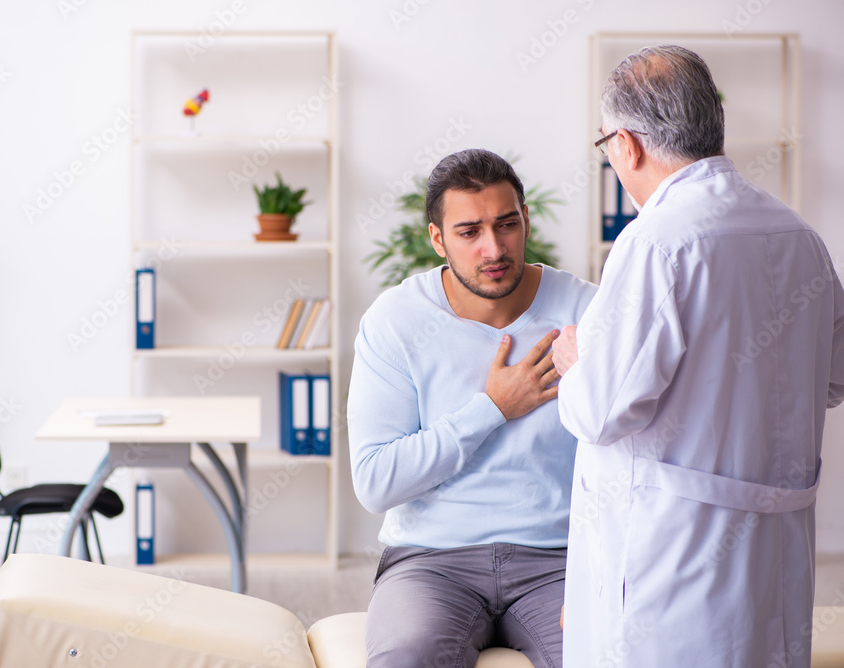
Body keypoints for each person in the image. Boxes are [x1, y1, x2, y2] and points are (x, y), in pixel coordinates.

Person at [550, 45, 844, 668]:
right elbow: (834, 378)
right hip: (776, 549)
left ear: (626, 144)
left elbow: (601, 414)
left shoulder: (654, 242)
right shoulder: (799, 234)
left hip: (675, 554)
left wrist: (576, 362)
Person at [348, 148, 596, 668]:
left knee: (605, 656)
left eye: (507, 224)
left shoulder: (587, 312)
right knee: (404, 659)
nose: (494, 248)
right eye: (469, 232)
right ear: (437, 239)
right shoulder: (395, 321)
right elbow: (376, 481)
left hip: (560, 560)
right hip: (431, 562)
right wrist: (492, 408)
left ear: (526, 220)